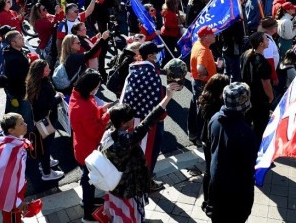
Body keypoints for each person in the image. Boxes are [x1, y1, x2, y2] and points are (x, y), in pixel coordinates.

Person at [102, 82, 182, 222]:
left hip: (113, 185)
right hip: (128, 189)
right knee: (132, 216)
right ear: (122, 123)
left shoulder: (108, 133)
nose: (134, 120)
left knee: (117, 213)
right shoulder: (126, 141)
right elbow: (148, 122)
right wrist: (167, 97)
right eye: (131, 119)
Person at [68, 69, 114, 222]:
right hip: (88, 149)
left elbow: (89, 118)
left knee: (86, 177)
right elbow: (95, 131)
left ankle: (87, 201)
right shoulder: (85, 105)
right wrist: (107, 115)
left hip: (81, 146)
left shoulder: (78, 97)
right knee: (89, 181)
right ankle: (88, 214)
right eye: (97, 86)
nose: (98, 88)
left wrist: (101, 109)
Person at [208, 82, 257, 223]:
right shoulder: (245, 132)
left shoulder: (215, 118)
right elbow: (249, 165)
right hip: (236, 192)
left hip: (216, 185)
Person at [120, 41, 166, 191]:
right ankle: (147, 181)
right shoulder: (151, 73)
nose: (158, 55)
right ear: (150, 56)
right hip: (150, 121)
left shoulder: (134, 69)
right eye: (156, 53)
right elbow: (157, 101)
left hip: (133, 119)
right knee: (150, 152)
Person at [25, 59, 64, 181]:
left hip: (39, 120)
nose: (50, 70)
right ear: (42, 72)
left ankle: (44, 163)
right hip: (47, 121)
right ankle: (47, 172)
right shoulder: (44, 86)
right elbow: (48, 104)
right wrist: (57, 98)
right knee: (46, 146)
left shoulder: (34, 82)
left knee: (43, 145)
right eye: (47, 69)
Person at [0, 112, 31, 223]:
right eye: (21, 124)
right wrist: (17, 202)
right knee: (11, 218)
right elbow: (3, 184)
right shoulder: (9, 152)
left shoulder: (11, 140)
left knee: (14, 217)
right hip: (11, 198)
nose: (25, 124)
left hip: (17, 189)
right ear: (11, 131)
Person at [197, 74, 230, 215]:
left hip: (205, 138)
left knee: (208, 171)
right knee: (214, 170)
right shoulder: (218, 105)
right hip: (214, 140)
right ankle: (212, 199)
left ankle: (206, 199)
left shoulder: (204, 99)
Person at [240, 32, 273, 149]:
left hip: (248, 96)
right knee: (260, 127)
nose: (268, 41)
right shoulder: (262, 63)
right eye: (266, 39)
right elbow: (266, 83)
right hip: (259, 100)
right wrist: (271, 97)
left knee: (249, 123)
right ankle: (256, 151)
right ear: (261, 44)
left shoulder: (246, 55)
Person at [189, 25, 218, 146]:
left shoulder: (198, 44)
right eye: (212, 34)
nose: (214, 35)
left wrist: (213, 64)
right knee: (202, 110)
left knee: (194, 107)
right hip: (202, 83)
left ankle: (192, 133)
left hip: (196, 82)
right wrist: (205, 75)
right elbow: (200, 67)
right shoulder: (203, 50)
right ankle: (200, 137)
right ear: (205, 37)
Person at [2, 31, 31, 113]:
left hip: (17, 92)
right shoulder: (13, 59)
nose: (23, 39)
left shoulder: (17, 51)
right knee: (24, 117)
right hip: (20, 94)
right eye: (19, 38)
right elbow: (19, 78)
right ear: (13, 43)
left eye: (21, 36)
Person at [161, 0, 183, 64]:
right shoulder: (169, 13)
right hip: (169, 35)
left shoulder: (170, 11)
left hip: (170, 35)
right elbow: (167, 25)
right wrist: (178, 26)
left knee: (170, 51)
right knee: (169, 53)